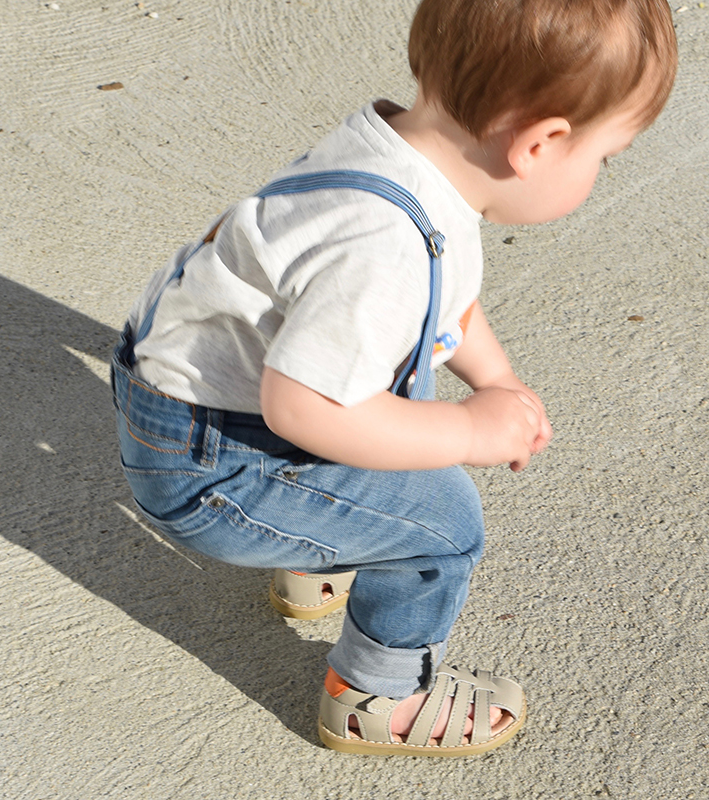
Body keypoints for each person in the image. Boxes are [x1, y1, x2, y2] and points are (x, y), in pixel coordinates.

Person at [111, 0, 677, 757]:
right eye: (606, 157)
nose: (602, 174)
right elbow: (303, 407)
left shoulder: (402, 153)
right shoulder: (384, 249)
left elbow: (448, 297)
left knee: (394, 404)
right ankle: (378, 698)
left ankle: (322, 545)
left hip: (197, 395)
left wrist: (496, 375)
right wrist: (473, 430)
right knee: (442, 524)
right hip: (215, 462)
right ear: (540, 145)